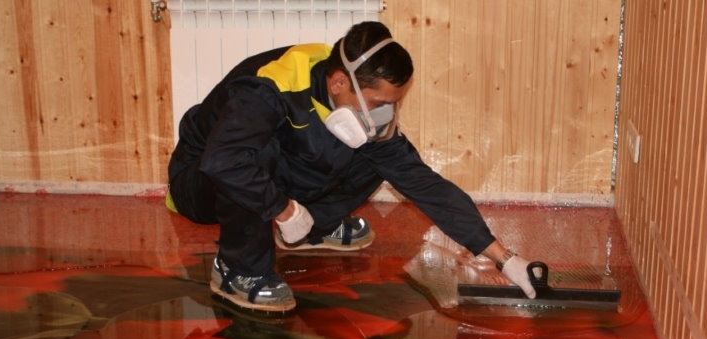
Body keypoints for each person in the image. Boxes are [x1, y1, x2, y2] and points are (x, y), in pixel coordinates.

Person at [167, 21, 537, 312]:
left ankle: (311, 226)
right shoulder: (270, 87)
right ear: (340, 82)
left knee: (379, 155)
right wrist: (281, 208)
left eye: (392, 103)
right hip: (199, 180)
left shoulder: (354, 103)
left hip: (263, 173)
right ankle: (238, 270)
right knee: (252, 154)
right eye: (377, 102)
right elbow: (224, 160)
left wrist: (504, 258)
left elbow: (426, 185)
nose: (384, 113)